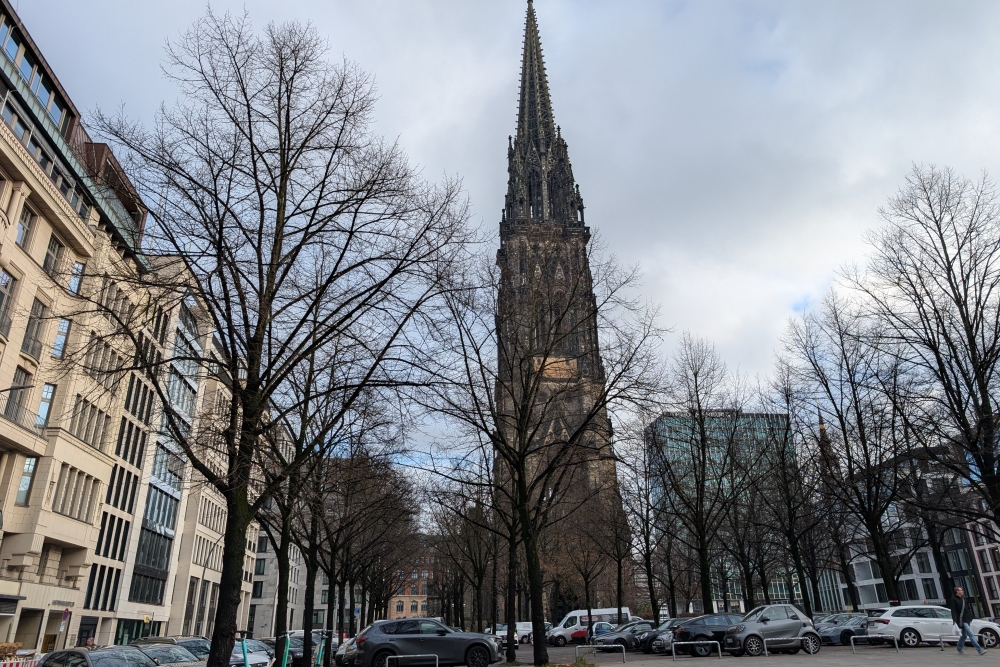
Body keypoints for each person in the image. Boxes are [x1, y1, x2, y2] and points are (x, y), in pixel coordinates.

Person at [950, 587, 986, 655]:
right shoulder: (953, 599)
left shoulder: (964, 599)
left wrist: (971, 616)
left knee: (964, 635)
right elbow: (953, 610)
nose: (962, 591)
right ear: (957, 591)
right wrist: (954, 620)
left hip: (968, 618)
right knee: (970, 634)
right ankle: (979, 650)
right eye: (961, 590)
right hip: (962, 620)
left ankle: (959, 648)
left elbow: (967, 608)